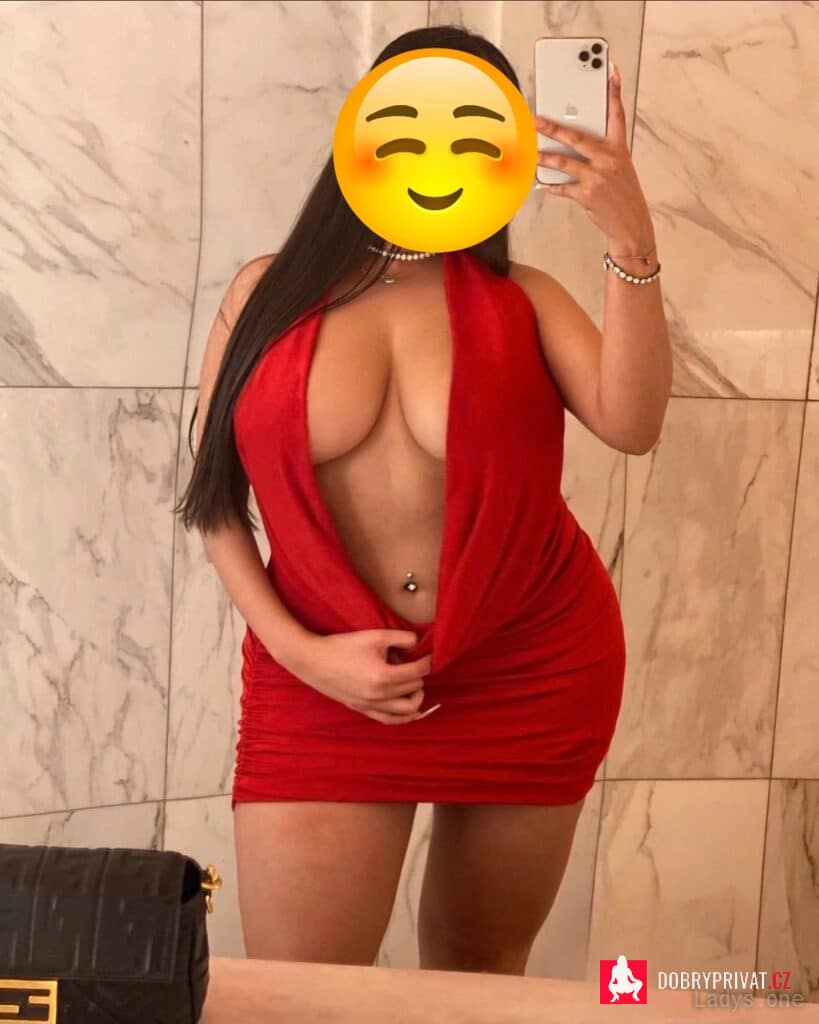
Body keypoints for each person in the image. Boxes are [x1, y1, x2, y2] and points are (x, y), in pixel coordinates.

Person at [174, 24, 670, 975]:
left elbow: (633, 421)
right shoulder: (263, 295)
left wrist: (628, 234)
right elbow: (213, 499)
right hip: (317, 677)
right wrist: (302, 655)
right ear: (360, 135)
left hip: (530, 666)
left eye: (474, 135)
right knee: (302, 990)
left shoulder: (524, 298)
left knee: (479, 973)